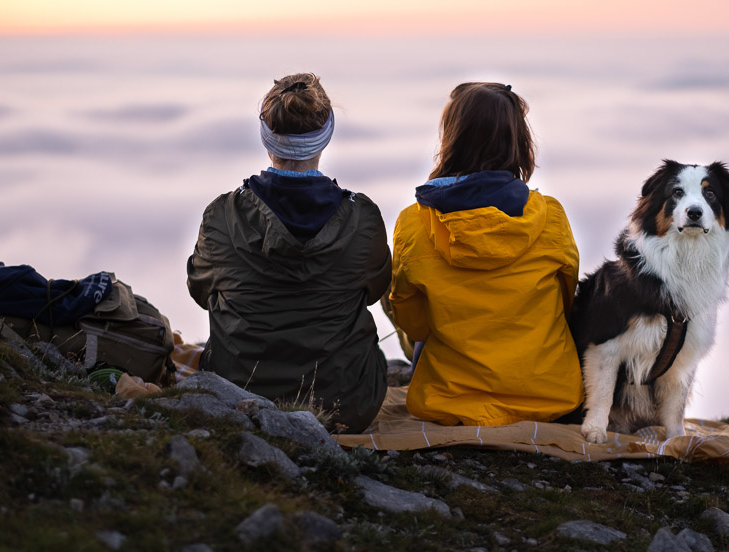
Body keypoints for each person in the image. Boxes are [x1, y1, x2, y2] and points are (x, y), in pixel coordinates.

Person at [187, 73, 390, 433]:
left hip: (238, 393)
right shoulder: (363, 218)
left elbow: (200, 291)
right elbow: (375, 290)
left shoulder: (221, 214)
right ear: (326, 136)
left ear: (267, 138)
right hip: (345, 403)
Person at [387, 82, 583, 426]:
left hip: (448, 403)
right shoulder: (551, 218)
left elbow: (414, 325)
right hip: (548, 398)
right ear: (518, 142)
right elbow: (566, 305)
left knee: (400, 297)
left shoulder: (413, 224)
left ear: (451, 139)